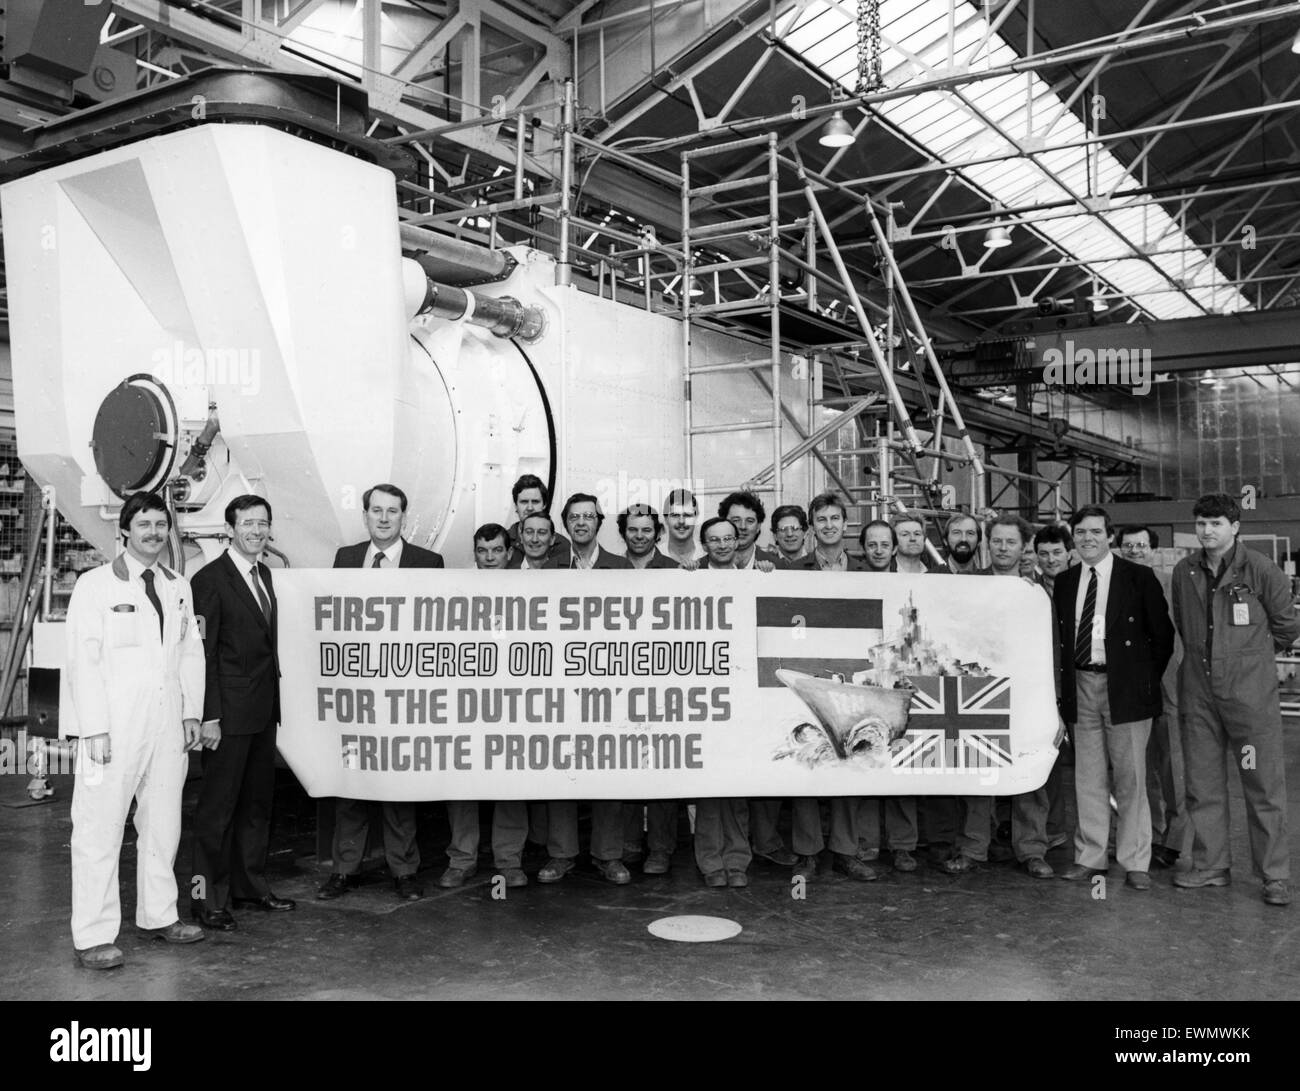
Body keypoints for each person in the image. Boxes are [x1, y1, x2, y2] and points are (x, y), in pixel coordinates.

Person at [65, 492, 206, 969]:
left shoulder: (178, 586)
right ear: (124, 531)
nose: (153, 533)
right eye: (143, 524)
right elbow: (82, 662)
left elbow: (190, 653)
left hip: (167, 725)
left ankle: (160, 914)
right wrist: (94, 729)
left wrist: (192, 711)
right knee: (99, 828)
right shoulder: (96, 586)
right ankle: (93, 935)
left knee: (164, 823)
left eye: (160, 524)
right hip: (112, 729)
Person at [1171, 494, 1300, 907]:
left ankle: (1273, 875)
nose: (1207, 531)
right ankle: (1211, 866)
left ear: (1235, 526)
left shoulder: (1259, 569)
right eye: (1202, 523)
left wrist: (1249, 661)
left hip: (1248, 700)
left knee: (1261, 784)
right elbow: (1183, 622)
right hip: (1199, 694)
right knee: (1203, 783)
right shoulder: (1184, 571)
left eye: (1216, 523)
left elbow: (1286, 627)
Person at [318, 483, 444, 903]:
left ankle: (404, 871)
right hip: (356, 690)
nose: (384, 518)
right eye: (376, 510)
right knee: (351, 780)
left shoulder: (428, 563)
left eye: (392, 511)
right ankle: (345, 870)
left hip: (404, 692)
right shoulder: (346, 559)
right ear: (365, 515)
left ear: (403, 517)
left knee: (398, 785)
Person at [1054, 505, 1173, 892]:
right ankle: (1090, 857)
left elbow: (1162, 638)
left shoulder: (1139, 578)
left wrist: (1140, 681)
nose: (1087, 539)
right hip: (1082, 685)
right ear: (1074, 538)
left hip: (1126, 690)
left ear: (1109, 536)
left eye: (1095, 532)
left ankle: (1136, 861)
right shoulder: (1066, 581)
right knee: (1087, 777)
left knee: (1131, 777)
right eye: (1080, 533)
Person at [190, 495, 294, 931]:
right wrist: (209, 715)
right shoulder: (209, 579)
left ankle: (250, 887)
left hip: (262, 712)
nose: (256, 531)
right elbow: (203, 654)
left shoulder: (265, 574)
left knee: (256, 806)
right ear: (229, 529)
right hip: (227, 717)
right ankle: (205, 898)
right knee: (216, 811)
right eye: (247, 523)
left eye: (263, 523)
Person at [536, 494, 632, 884]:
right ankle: (561, 854)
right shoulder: (548, 568)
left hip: (609, 683)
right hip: (560, 682)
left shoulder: (622, 568)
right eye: (574, 517)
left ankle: (608, 855)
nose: (581, 523)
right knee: (562, 767)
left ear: (599, 522)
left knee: (607, 766)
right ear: (566, 523)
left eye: (588, 517)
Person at [787, 495, 875, 882]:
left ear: (846, 523)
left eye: (835, 518)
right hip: (808, 672)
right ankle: (807, 852)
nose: (828, 525)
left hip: (852, 675)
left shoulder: (866, 570)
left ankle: (845, 850)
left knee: (849, 757)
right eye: (820, 519)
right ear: (812, 526)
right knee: (806, 758)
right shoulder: (794, 569)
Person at [442, 524, 529, 890]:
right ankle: (462, 858)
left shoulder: (530, 591)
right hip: (468, 700)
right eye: (483, 551)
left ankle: (508, 861)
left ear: (509, 553)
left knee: (510, 780)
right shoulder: (457, 591)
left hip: (513, 700)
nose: (490, 558)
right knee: (463, 778)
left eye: (496, 550)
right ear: (474, 554)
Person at [988, 514, 1060, 880]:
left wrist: (1056, 704)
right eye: (997, 541)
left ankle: (1032, 849)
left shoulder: (1038, 594)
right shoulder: (966, 586)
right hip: (980, 694)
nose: (1003, 548)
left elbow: (1053, 651)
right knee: (977, 769)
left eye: (1010, 542)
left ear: (1023, 548)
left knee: (1031, 774)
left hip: (1029, 696)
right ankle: (973, 846)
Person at [616, 504, 682, 871]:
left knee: (662, 766)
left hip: (663, 681)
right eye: (632, 529)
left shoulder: (675, 571)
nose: (639, 535)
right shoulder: (609, 569)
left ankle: (661, 847)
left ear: (656, 533)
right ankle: (628, 843)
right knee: (624, 763)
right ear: (623, 532)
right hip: (619, 681)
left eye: (646, 530)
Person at [1117, 524, 1186, 870]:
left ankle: (1173, 840)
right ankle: (1148, 834)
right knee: (1138, 767)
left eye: (1140, 546)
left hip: (1168, 680)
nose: (1134, 551)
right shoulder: (1113, 582)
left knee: (1172, 762)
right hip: (1131, 684)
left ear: (1152, 549)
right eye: (1127, 546)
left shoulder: (1171, 583)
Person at [692, 517, 753, 887]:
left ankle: (738, 861)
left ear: (738, 541)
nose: (722, 545)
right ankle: (711, 863)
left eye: (728, 538)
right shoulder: (690, 579)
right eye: (714, 540)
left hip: (743, 693)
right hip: (704, 692)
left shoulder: (755, 578)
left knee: (738, 787)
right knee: (710, 787)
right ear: (704, 544)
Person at [937, 512, 994, 874]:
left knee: (977, 766)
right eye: (956, 532)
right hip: (938, 682)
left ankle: (975, 847)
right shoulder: (932, 580)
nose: (963, 538)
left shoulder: (994, 582)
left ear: (979, 540)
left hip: (980, 684)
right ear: (945, 539)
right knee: (941, 765)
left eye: (971, 533)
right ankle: (945, 841)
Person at [505, 474, 571, 566]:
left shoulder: (562, 545)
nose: (530, 508)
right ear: (516, 506)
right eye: (524, 502)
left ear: (544, 505)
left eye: (535, 502)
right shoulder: (503, 542)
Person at [719, 491, 779, 572]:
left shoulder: (779, 566)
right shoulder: (702, 566)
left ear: (758, 526)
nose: (743, 526)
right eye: (736, 520)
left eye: (750, 521)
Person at [618, 504, 682, 570]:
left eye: (646, 530)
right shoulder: (611, 566)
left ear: (658, 534)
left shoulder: (674, 568)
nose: (639, 536)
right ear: (622, 533)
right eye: (633, 530)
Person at [663, 488, 705, 568]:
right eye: (675, 515)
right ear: (666, 519)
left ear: (696, 518)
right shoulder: (655, 554)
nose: (681, 521)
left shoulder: (707, 553)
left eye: (687, 515)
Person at [1033, 524, 1074, 595]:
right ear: (1037, 557)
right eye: (1044, 554)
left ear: (1069, 554)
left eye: (1057, 553)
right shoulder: (1031, 589)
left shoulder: (1083, 585)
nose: (1051, 560)